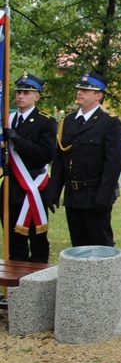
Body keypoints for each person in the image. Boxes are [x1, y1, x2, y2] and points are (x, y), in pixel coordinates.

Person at [48, 71, 121, 247]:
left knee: (100, 245)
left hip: (95, 193)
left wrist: (104, 197)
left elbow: (114, 163)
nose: (80, 92)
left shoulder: (109, 123)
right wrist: (53, 190)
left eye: (85, 90)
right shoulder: (68, 121)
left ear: (98, 95)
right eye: (79, 89)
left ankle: (105, 276)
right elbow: (60, 157)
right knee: (78, 245)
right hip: (73, 194)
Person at [1, 73, 57, 263]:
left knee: (37, 239)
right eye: (18, 92)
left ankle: (36, 285)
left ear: (37, 96)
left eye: (26, 92)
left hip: (33, 186)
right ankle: (15, 286)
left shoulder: (45, 121)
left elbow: (46, 154)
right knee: (13, 239)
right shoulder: (7, 119)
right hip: (11, 185)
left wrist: (17, 139)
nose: (20, 96)